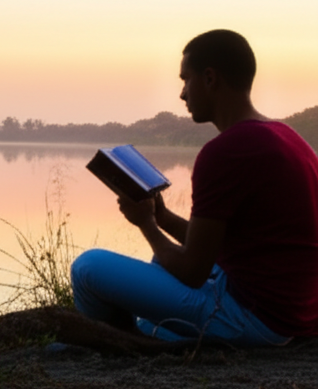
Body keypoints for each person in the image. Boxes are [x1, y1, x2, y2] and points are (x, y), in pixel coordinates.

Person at [71, 29, 318, 346]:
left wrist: (145, 224)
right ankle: (152, 331)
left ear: (210, 78)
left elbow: (192, 271)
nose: (183, 94)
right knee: (163, 261)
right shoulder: (284, 135)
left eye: (186, 80)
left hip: (256, 319)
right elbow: (216, 245)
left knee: (87, 268)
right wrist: (163, 218)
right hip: (292, 313)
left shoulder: (225, 152)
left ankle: (127, 341)